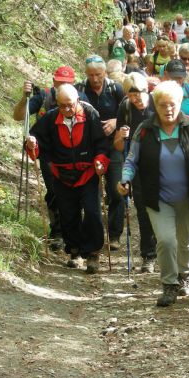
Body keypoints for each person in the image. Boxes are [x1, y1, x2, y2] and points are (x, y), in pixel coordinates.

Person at [118, 80, 189, 307]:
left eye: (172, 104)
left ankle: (186, 277)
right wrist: (125, 179)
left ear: (180, 103)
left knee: (186, 241)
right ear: (156, 105)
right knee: (166, 240)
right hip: (157, 197)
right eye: (163, 105)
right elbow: (131, 160)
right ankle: (169, 284)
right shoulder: (145, 130)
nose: (168, 109)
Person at [25, 84, 109, 273]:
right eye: (63, 106)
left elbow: (101, 143)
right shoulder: (50, 118)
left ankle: (93, 252)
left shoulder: (90, 114)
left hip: (87, 173)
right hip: (62, 175)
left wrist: (100, 161)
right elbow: (35, 140)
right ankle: (75, 251)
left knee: (92, 212)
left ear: (77, 101)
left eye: (70, 105)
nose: (67, 110)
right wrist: (32, 143)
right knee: (68, 214)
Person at [12, 66, 87, 250]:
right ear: (54, 82)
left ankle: (76, 231)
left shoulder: (81, 99)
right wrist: (25, 97)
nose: (63, 86)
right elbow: (18, 116)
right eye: (60, 82)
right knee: (54, 191)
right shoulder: (43, 96)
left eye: (67, 83)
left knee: (76, 193)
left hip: (74, 153)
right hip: (48, 153)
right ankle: (57, 233)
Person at [75, 55, 126, 251]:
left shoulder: (115, 89)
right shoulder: (79, 89)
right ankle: (93, 236)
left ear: (105, 72)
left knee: (116, 191)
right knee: (91, 195)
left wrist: (115, 122)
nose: (94, 79)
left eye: (98, 74)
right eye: (90, 75)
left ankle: (114, 235)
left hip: (113, 146)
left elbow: (127, 113)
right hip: (88, 148)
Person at [114, 73, 158, 273]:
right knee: (143, 210)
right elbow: (117, 145)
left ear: (146, 90)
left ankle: (168, 252)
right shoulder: (125, 108)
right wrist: (122, 137)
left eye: (139, 94)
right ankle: (149, 255)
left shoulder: (159, 103)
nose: (136, 99)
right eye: (132, 96)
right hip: (139, 166)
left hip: (163, 164)